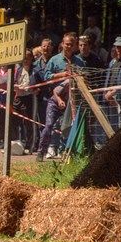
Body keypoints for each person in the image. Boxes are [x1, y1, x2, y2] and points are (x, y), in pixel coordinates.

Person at [35, 32, 85, 162]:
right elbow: (46, 76)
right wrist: (62, 74)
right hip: (55, 98)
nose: (68, 46)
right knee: (49, 125)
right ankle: (41, 151)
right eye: (66, 44)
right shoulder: (54, 60)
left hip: (72, 100)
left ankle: (67, 152)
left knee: (69, 127)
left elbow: (84, 78)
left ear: (75, 46)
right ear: (62, 44)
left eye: (71, 44)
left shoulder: (79, 62)